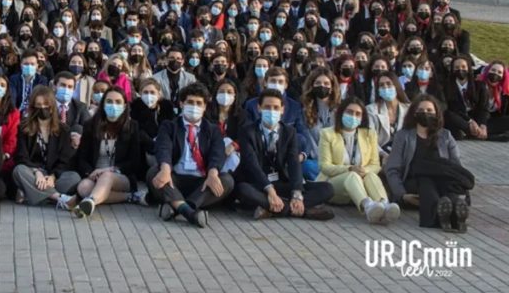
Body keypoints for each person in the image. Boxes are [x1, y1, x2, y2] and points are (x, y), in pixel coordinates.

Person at [234, 89, 335, 220]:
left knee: (327, 188)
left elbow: (294, 162)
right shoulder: (247, 131)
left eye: (276, 107)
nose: (271, 111)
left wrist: (297, 195)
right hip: (258, 184)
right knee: (243, 189)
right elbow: (251, 164)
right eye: (267, 107)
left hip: (281, 182)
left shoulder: (289, 131)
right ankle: (304, 212)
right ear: (259, 108)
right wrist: (270, 191)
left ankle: (272, 209)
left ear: (282, 110)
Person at [146, 82, 234, 227]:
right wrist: (165, 170)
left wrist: (212, 174)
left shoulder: (212, 129)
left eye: (199, 103)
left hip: (202, 181)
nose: (194, 106)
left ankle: (177, 207)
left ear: (205, 106)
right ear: (181, 104)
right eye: (190, 102)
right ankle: (190, 213)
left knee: (227, 180)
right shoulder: (169, 126)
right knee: (153, 173)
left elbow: (217, 153)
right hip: (174, 179)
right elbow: (163, 148)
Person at [384, 95, 475, 232]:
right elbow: (392, 169)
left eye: (429, 110)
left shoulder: (446, 136)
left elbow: (455, 166)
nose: (425, 113)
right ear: (414, 113)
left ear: (437, 114)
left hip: (442, 180)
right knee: (426, 180)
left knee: (447, 188)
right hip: (415, 182)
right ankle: (435, 218)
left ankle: (456, 216)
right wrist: (402, 195)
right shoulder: (403, 136)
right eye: (421, 110)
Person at [316, 97, 399, 224]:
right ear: (341, 113)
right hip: (332, 185)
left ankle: (384, 205)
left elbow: (375, 165)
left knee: (370, 174)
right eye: (349, 112)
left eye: (357, 114)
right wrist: (349, 168)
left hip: (360, 184)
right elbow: (325, 166)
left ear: (362, 118)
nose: (353, 116)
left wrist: (363, 170)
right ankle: (368, 206)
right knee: (352, 175)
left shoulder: (369, 134)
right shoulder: (327, 134)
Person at [72, 86, 145, 217]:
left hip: (120, 175)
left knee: (107, 176)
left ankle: (91, 201)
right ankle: (130, 197)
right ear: (103, 104)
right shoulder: (90, 125)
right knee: (83, 188)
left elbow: (135, 162)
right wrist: (90, 172)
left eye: (118, 102)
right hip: (95, 173)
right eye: (109, 101)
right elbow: (81, 158)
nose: (113, 105)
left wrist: (109, 170)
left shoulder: (132, 126)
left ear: (124, 105)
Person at [12, 85, 81, 208]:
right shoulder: (24, 128)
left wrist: (53, 177)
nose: (42, 108)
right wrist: (37, 172)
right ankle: (59, 198)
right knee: (19, 171)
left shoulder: (63, 129)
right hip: (32, 172)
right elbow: (21, 156)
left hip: (53, 175)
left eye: (45, 104)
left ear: (52, 106)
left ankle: (32, 194)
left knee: (74, 178)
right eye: (38, 105)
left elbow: (64, 159)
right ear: (33, 106)